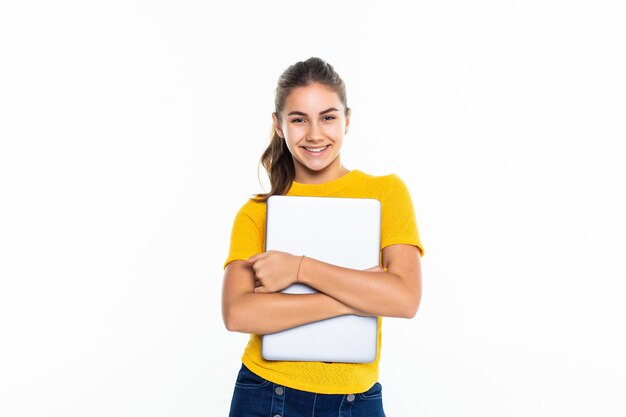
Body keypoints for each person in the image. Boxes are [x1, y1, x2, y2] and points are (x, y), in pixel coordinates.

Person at [221, 57, 424, 417]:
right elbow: (238, 313)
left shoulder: (385, 193)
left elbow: (405, 299)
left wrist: (300, 268)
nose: (315, 134)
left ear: (347, 119)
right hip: (268, 394)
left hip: (356, 400)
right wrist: (359, 297)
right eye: (299, 119)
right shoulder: (257, 212)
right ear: (279, 126)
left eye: (328, 117)